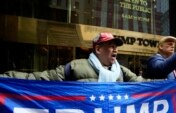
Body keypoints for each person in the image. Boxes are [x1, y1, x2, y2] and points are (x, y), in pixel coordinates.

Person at [0, 32, 146, 82]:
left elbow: (144, 84)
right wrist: (5, 78)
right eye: (111, 47)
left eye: (116, 47)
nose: (116, 50)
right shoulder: (76, 67)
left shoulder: (121, 71)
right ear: (98, 49)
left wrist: (167, 86)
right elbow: (39, 78)